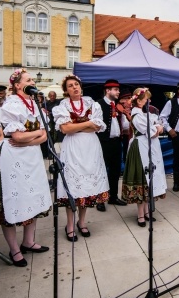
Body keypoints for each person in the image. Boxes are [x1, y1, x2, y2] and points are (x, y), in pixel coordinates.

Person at [0, 69, 52, 267]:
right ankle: (14, 250)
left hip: (31, 156)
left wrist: (33, 138)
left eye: (32, 79)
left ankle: (28, 242)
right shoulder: (12, 103)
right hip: (13, 159)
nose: (32, 81)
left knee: (32, 198)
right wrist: (35, 136)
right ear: (17, 85)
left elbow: (44, 136)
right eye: (28, 79)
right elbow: (16, 137)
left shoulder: (34, 104)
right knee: (13, 201)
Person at [53, 75, 109, 241]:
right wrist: (87, 124)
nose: (74, 87)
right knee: (72, 186)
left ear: (81, 86)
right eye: (70, 86)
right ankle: (70, 225)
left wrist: (75, 126)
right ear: (66, 90)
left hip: (91, 147)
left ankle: (82, 222)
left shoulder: (92, 103)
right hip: (72, 148)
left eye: (76, 84)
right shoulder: (62, 106)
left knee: (87, 187)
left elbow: (98, 126)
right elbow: (65, 129)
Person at [121, 88, 167, 227]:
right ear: (139, 101)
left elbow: (159, 125)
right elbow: (151, 132)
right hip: (140, 148)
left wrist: (157, 127)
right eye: (147, 99)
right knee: (142, 179)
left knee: (149, 179)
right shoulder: (136, 115)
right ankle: (141, 214)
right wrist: (156, 128)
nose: (149, 101)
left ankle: (146, 211)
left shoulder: (144, 114)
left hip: (150, 147)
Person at [96, 79, 127, 211]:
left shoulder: (118, 105)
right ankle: (100, 200)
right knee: (102, 171)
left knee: (115, 171)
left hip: (116, 142)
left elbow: (124, 124)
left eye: (118, 89)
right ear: (107, 91)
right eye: (116, 89)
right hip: (103, 142)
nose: (118, 92)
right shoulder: (98, 104)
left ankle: (113, 197)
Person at [117, 88, 132, 164]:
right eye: (125, 99)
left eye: (129, 98)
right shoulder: (118, 108)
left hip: (132, 134)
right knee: (124, 152)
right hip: (122, 135)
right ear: (121, 100)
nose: (127, 101)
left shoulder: (133, 108)